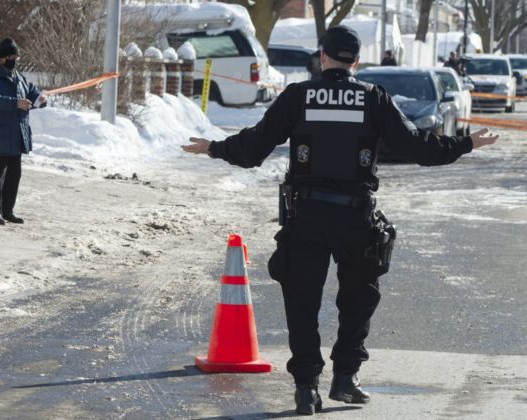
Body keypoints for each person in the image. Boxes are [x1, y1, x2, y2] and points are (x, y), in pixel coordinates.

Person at [182, 25, 498, 416]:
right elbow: (417, 147)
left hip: (307, 215)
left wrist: (214, 148)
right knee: (358, 299)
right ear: (357, 61)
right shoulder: (373, 98)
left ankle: (306, 389)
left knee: (302, 302)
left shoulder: (299, 96)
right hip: (355, 216)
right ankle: (346, 379)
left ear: (323, 57)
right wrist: (466, 143)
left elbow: (253, 148)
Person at [0, 38, 46, 225]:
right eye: (12, 57)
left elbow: (32, 92)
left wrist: (40, 98)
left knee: (14, 176)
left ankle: (8, 211)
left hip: (16, 137)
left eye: (17, 57)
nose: (15, 60)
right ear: (2, 58)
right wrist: (15, 103)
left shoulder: (19, 77)